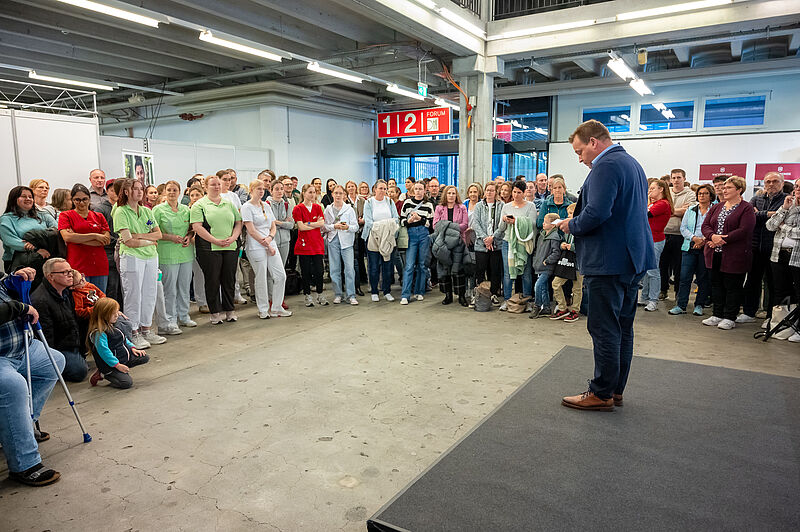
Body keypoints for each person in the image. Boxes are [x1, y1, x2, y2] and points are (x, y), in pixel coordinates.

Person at [556, 119, 655, 411]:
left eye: (579, 151)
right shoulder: (631, 164)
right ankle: (614, 388)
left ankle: (601, 393)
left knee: (604, 329)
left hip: (609, 261)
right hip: (631, 258)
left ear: (593, 143)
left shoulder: (606, 166)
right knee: (622, 327)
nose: (579, 158)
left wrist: (570, 224)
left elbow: (597, 213)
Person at [0, 266, 65, 487]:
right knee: (13, 385)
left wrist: (14, 280)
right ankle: (24, 464)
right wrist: (20, 307)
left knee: (54, 361)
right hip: (1, 356)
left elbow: (4, 288)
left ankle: (22, 428)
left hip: (22, 348)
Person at [113, 179, 166, 348]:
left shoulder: (146, 211)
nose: (139, 191)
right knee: (133, 295)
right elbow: (128, 241)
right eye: (135, 189)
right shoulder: (121, 211)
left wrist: (140, 236)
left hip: (150, 256)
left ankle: (146, 329)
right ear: (126, 192)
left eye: (141, 188)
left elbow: (158, 234)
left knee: (150, 293)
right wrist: (149, 241)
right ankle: (133, 332)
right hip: (132, 257)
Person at [701, 176, 756, 330]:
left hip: (735, 254)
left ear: (739, 190)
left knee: (732, 286)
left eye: (728, 188)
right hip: (714, 253)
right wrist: (712, 236)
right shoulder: (717, 207)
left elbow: (745, 230)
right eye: (724, 187)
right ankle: (717, 314)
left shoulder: (746, 208)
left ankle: (730, 316)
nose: (724, 190)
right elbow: (705, 225)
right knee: (716, 284)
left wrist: (721, 239)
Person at [191, 175, 242, 324]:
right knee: (212, 280)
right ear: (205, 187)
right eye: (213, 184)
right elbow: (197, 227)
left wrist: (233, 238)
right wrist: (215, 240)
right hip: (209, 248)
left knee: (229, 279)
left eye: (218, 184)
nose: (217, 187)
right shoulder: (199, 205)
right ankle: (215, 313)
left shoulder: (228, 203)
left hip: (230, 246)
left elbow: (238, 222)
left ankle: (230, 310)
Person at [739, 171, 787, 325]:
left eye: (775, 181)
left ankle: (770, 316)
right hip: (755, 247)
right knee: (752, 281)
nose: (771, 184)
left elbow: (783, 218)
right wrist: (772, 214)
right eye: (768, 182)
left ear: (782, 183)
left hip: (775, 249)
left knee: (773, 284)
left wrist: (761, 214)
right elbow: (749, 217)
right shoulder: (756, 198)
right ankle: (749, 312)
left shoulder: (787, 200)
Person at [30, 258, 88, 382]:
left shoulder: (66, 291)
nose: (70, 275)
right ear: (51, 276)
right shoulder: (41, 301)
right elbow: (46, 337)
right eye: (64, 272)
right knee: (79, 372)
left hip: (71, 340)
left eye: (70, 271)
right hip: (59, 347)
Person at [242, 180, 292, 318]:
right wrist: (266, 243)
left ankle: (276, 307)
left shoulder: (266, 205)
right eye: (258, 189)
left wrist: (270, 238)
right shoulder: (247, 207)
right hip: (256, 245)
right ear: (251, 190)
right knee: (261, 277)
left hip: (270, 241)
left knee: (280, 275)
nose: (261, 191)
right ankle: (263, 309)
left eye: (263, 189)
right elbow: (251, 230)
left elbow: (273, 225)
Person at [152, 181, 196, 334]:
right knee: (169, 289)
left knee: (184, 286)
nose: (172, 192)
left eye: (175, 190)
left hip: (185, 253)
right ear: (165, 191)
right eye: (169, 190)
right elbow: (152, 229)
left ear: (179, 192)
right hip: (167, 253)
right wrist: (169, 237)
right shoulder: (158, 210)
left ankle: (184, 316)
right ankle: (170, 319)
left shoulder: (186, 209)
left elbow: (192, 228)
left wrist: (189, 237)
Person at [670, 184, 715, 316]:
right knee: (684, 277)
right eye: (700, 193)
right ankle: (681, 305)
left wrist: (703, 240)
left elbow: (716, 228)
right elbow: (683, 228)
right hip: (689, 246)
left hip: (706, 246)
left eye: (705, 193)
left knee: (702, 278)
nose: (702, 196)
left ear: (711, 196)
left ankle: (699, 305)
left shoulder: (714, 210)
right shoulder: (691, 209)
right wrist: (695, 238)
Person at [765, 178, 800, 341]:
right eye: (797, 186)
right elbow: (770, 225)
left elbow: (798, 233)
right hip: (779, 255)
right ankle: (782, 326)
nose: (798, 189)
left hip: (797, 258)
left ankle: (798, 329)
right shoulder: (788, 205)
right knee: (781, 292)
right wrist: (784, 209)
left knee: (798, 292)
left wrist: (783, 227)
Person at [58, 184, 110, 292]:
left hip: (99, 264)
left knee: (100, 299)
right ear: (72, 200)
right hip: (77, 264)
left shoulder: (99, 216)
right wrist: (95, 236)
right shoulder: (65, 215)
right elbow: (67, 237)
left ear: (89, 199)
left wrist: (76, 238)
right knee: (80, 298)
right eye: (77, 200)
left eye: (84, 199)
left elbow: (106, 240)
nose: (81, 203)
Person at [88, 297, 149, 389]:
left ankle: (121, 369)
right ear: (104, 314)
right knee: (126, 383)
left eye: (117, 312)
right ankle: (103, 374)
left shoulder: (113, 325)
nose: (117, 315)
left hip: (122, 357)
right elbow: (104, 352)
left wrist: (132, 348)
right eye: (113, 313)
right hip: (110, 364)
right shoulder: (99, 333)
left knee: (144, 357)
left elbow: (124, 339)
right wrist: (117, 365)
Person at [497, 180, 537, 311]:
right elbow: (501, 228)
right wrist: (504, 220)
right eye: (514, 192)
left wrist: (516, 221)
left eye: (519, 192)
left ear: (524, 193)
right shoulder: (506, 206)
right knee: (508, 272)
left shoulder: (530, 206)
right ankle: (507, 300)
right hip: (508, 242)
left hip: (524, 242)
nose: (516, 195)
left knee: (526, 272)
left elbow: (532, 223)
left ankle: (527, 300)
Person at [659, 169, 697, 301]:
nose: (676, 180)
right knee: (663, 265)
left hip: (680, 234)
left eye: (679, 177)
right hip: (664, 232)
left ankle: (677, 292)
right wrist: (678, 211)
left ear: (684, 179)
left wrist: (668, 211)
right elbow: (659, 209)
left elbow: (689, 211)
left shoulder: (690, 194)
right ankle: (663, 290)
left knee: (679, 266)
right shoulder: (665, 192)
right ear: (670, 179)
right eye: (674, 178)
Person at [1, 186, 57, 273]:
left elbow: (56, 229)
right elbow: (10, 240)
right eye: (23, 196)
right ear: (14, 199)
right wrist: (36, 250)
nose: (28, 199)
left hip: (46, 258)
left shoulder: (43, 215)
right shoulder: (6, 219)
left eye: (30, 197)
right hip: (19, 263)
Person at [433, 185, 469, 306]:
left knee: (458, 270)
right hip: (443, 243)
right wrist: (452, 228)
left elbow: (465, 225)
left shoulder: (462, 207)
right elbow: (435, 225)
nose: (451, 195)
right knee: (445, 269)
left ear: (456, 195)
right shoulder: (439, 208)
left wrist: (447, 227)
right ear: (445, 195)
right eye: (449, 193)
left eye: (453, 193)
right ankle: (448, 295)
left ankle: (461, 296)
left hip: (458, 242)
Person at [323, 185, 359, 305]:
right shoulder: (328, 209)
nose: (338, 195)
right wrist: (334, 226)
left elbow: (356, 227)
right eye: (336, 193)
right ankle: (338, 294)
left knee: (349, 269)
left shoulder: (349, 209)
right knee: (334, 269)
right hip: (333, 241)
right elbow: (324, 226)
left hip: (347, 242)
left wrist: (347, 227)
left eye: (340, 193)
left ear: (344, 195)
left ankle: (351, 295)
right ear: (332, 194)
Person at [399, 182, 435, 305]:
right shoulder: (407, 203)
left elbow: (431, 223)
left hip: (424, 235)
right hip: (411, 235)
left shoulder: (428, 205)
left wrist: (420, 219)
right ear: (413, 190)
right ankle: (405, 295)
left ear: (424, 190)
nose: (418, 191)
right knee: (409, 265)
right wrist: (409, 221)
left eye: (421, 189)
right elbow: (401, 220)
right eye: (416, 189)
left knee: (422, 264)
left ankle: (420, 291)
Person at [363, 180, 399, 302]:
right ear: (375, 189)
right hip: (373, 237)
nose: (383, 191)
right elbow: (369, 222)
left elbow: (396, 219)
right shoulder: (369, 202)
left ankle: (387, 291)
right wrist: (384, 226)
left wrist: (385, 227)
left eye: (385, 189)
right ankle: (374, 291)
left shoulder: (389, 202)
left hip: (388, 238)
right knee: (373, 266)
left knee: (387, 266)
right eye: (380, 188)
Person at [293, 184, 328, 307]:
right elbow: (301, 227)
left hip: (317, 243)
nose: (313, 195)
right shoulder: (298, 208)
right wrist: (314, 224)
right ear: (304, 193)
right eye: (310, 192)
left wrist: (308, 223)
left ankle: (320, 293)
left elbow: (322, 223)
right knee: (306, 271)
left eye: (314, 192)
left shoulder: (318, 207)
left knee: (319, 271)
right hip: (304, 244)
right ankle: (307, 295)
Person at [640, 179, 672, 312]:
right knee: (646, 270)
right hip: (647, 239)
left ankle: (653, 299)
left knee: (653, 271)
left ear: (661, 189)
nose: (649, 191)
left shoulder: (663, 204)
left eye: (652, 188)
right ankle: (645, 296)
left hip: (655, 240)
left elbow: (644, 214)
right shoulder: (653, 204)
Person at [471, 181, 504, 303]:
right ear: (484, 192)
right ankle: (478, 294)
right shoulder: (479, 206)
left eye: (492, 190)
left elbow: (502, 225)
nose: (489, 192)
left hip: (496, 244)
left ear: (496, 192)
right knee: (480, 270)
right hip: (481, 244)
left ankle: (493, 294)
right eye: (487, 190)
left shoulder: (501, 205)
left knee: (494, 271)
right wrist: (485, 238)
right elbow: (476, 223)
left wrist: (492, 238)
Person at [551, 203, 582, 322]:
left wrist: (572, 247)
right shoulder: (567, 229)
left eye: (571, 213)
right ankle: (562, 308)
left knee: (577, 288)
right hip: (566, 262)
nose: (568, 216)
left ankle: (575, 310)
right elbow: (563, 240)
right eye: (568, 213)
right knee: (556, 283)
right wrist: (562, 244)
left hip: (578, 263)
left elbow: (585, 246)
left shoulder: (582, 228)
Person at [530, 213, 564, 318]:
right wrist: (535, 261)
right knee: (544, 287)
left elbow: (556, 253)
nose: (543, 224)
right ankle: (546, 308)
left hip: (547, 267)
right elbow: (537, 251)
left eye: (546, 222)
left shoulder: (554, 237)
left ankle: (537, 305)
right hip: (539, 266)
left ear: (553, 225)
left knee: (538, 285)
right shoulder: (542, 235)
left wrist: (547, 261)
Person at [187, 186, 208, 313]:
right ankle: (202, 302)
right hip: (193, 247)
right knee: (199, 275)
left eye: (197, 195)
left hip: (208, 245)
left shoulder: (207, 209)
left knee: (210, 275)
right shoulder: (188, 211)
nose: (195, 198)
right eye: (192, 195)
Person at [346, 180, 367, 295]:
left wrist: (362, 220)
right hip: (350, 233)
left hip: (361, 231)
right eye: (349, 186)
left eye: (352, 186)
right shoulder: (345, 201)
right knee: (353, 260)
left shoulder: (362, 200)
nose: (351, 188)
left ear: (355, 188)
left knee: (360, 257)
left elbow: (366, 214)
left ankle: (361, 281)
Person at [269, 179, 295, 268]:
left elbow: (291, 225)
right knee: (272, 269)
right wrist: (284, 223)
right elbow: (269, 224)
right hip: (272, 241)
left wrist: (277, 222)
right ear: (271, 191)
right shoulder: (267, 205)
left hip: (285, 241)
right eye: (276, 189)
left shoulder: (287, 205)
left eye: (281, 189)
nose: (280, 191)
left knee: (281, 268)